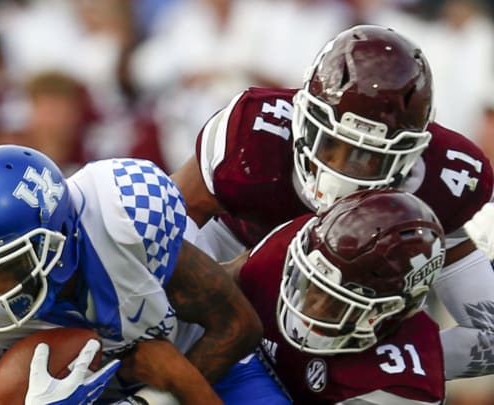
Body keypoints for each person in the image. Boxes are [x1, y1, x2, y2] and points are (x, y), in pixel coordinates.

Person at [170, 24, 494, 380]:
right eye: (332, 144)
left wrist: (382, 368)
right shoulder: (251, 133)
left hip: (352, 316)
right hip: (230, 256)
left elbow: (490, 337)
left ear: (411, 152)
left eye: (366, 156)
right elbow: (164, 233)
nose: (341, 171)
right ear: (303, 115)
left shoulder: (445, 179)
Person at [0, 144, 290, 404]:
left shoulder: (125, 216)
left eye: (9, 267)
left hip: (205, 361)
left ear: (60, 235)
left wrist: (165, 392)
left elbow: (237, 325)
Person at [224, 189, 447, 404]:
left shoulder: (399, 385)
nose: (314, 305)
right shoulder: (300, 244)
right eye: (311, 285)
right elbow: (217, 286)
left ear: (391, 311)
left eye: (337, 304)